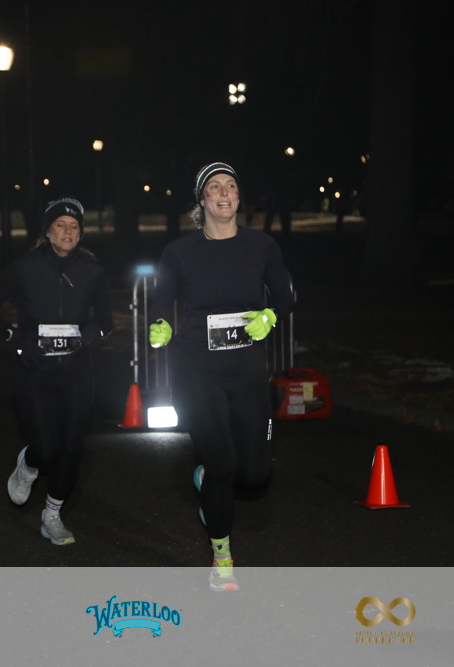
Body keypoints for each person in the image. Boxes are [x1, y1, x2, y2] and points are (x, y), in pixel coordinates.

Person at [148, 162, 294, 592]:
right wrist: (162, 325)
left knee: (254, 477)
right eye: (216, 187)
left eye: (231, 185)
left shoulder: (261, 246)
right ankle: (222, 559)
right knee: (222, 463)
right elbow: (162, 301)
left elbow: (285, 296)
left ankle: (205, 479)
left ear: (238, 197)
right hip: (198, 370)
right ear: (203, 200)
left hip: (247, 370)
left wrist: (270, 315)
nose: (225, 193)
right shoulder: (179, 252)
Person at [0, 197, 113, 546]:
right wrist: (16, 340)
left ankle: (52, 515)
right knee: (45, 448)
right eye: (60, 225)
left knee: (71, 448)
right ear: (48, 231)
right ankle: (28, 464)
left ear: (80, 233)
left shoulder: (92, 271)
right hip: (34, 370)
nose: (67, 232)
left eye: (74, 226)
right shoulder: (26, 267)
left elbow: (106, 321)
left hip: (76, 372)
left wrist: (85, 339)